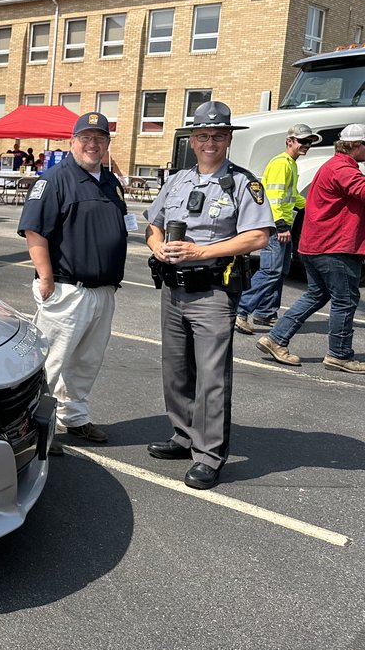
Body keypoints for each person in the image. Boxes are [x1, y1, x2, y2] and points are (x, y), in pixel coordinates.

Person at [144, 101, 273, 490]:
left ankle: (209, 455)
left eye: (218, 135)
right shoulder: (178, 180)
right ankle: (184, 436)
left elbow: (258, 236)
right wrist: (157, 247)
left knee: (212, 377)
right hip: (172, 288)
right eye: (203, 135)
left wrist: (202, 251)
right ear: (193, 140)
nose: (210, 142)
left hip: (213, 292)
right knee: (176, 370)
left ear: (229, 139)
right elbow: (154, 224)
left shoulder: (243, 184)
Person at [18, 111, 129, 450]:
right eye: (86, 138)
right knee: (50, 362)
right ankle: (30, 426)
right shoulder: (55, 179)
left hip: (103, 292)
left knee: (86, 362)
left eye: (100, 138)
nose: (92, 145)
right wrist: (46, 280)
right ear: (73, 141)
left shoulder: (109, 182)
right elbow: (35, 231)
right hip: (67, 290)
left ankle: (75, 417)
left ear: (107, 144)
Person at [256, 123, 365, 373]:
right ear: (356, 146)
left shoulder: (333, 166)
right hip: (334, 247)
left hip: (316, 244)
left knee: (317, 294)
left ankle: (275, 338)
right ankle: (339, 354)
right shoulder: (342, 169)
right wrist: (281, 225)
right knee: (345, 300)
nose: (306, 146)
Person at [235, 123, 320, 334]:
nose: (306, 145)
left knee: (280, 271)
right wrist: (281, 225)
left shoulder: (290, 164)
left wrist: (315, 208)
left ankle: (265, 313)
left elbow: (292, 197)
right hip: (276, 227)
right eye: (302, 141)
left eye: (309, 142)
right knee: (271, 271)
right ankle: (240, 311)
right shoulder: (282, 163)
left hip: (282, 226)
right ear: (289, 141)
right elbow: (273, 198)